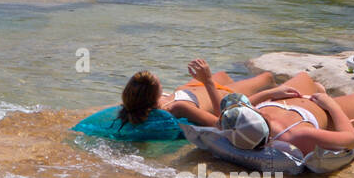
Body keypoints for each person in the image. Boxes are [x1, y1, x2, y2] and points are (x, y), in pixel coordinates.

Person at [220, 71, 354, 154]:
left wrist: (271, 93)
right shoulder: (296, 134)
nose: (252, 106)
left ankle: (319, 89)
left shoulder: (236, 126)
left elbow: (239, 105)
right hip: (326, 110)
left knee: (305, 77)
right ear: (264, 117)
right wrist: (331, 105)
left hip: (296, 99)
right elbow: (349, 139)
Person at [73, 61, 276, 141]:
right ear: (155, 96)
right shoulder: (178, 108)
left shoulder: (133, 106)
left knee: (222, 73)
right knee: (266, 78)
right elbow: (221, 122)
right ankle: (276, 86)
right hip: (213, 94)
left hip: (188, 89)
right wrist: (207, 82)